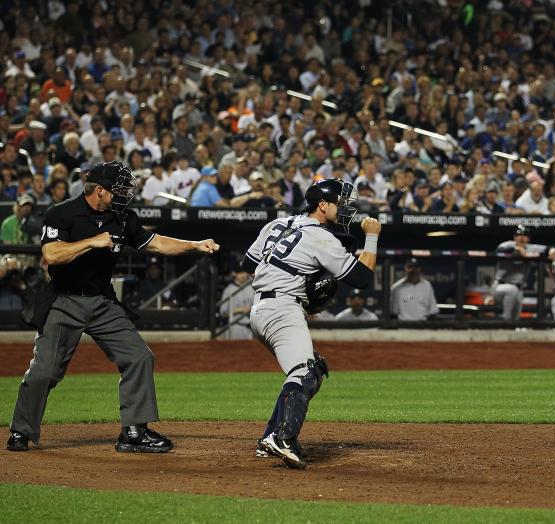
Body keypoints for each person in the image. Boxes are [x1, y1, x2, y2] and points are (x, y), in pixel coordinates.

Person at [7, 161, 220, 453]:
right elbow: (52, 254)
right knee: (45, 372)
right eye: (118, 190)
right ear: (98, 191)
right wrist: (92, 242)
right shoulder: (62, 212)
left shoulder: (122, 218)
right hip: (63, 301)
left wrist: (194, 245)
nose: (124, 195)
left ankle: (133, 432)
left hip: (102, 302)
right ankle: (21, 431)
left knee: (139, 357)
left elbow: (155, 243)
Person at [245, 179, 382, 468]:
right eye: (340, 203)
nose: (346, 209)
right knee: (305, 372)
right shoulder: (321, 237)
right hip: (282, 307)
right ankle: (282, 439)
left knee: (309, 368)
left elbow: (249, 265)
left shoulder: (277, 223)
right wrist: (372, 236)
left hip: (260, 308)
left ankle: (270, 437)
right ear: (322, 205)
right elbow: (362, 279)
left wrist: (294, 282)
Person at [492, 225, 549, 320]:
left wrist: (552, 250)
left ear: (528, 238)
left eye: (525, 235)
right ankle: (505, 319)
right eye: (519, 235)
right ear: (514, 237)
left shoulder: (530, 248)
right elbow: (498, 251)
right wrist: (516, 249)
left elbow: (548, 249)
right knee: (512, 290)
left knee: (516, 318)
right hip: (500, 287)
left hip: (519, 288)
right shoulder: (508, 244)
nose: (522, 237)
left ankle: (510, 326)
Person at [219, 264, 255, 340]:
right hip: (236, 326)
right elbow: (223, 312)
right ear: (234, 274)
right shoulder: (229, 290)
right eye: (239, 272)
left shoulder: (252, 287)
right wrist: (240, 310)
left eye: (244, 272)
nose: (243, 275)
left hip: (251, 327)